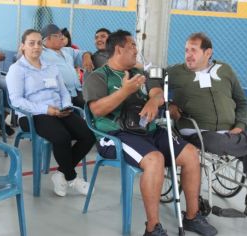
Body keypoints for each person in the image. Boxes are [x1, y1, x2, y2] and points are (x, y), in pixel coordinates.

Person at [83, 29, 217, 236]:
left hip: (149, 129)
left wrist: (155, 100)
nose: (137, 50)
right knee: (154, 160)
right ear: (119, 49)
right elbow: (97, 110)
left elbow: (157, 93)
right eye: (133, 46)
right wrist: (125, 91)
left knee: (191, 153)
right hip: (116, 135)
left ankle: (192, 216)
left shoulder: (141, 74)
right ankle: (152, 228)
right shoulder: (99, 76)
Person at [167, 32, 247, 221]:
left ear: (208, 52)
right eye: (186, 50)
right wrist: (166, 101)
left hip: (231, 132)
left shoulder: (225, 70)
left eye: (193, 50)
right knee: (232, 142)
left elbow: (242, 102)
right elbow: (152, 79)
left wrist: (239, 124)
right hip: (198, 132)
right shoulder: (176, 72)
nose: (188, 54)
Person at [6, 29, 95, 197]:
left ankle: (60, 173)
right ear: (22, 46)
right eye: (31, 43)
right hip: (32, 115)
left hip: (58, 110)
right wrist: (46, 109)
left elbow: (63, 92)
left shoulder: (50, 67)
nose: (36, 47)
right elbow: (17, 101)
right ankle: (72, 178)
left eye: (39, 43)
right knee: (62, 137)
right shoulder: (17, 69)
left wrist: (66, 106)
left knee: (88, 134)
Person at [40, 24, 94, 108]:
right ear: (48, 39)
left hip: (78, 91)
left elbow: (82, 52)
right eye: (58, 36)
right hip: (59, 95)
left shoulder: (67, 50)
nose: (62, 38)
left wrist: (86, 57)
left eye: (61, 35)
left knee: (97, 105)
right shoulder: (41, 53)